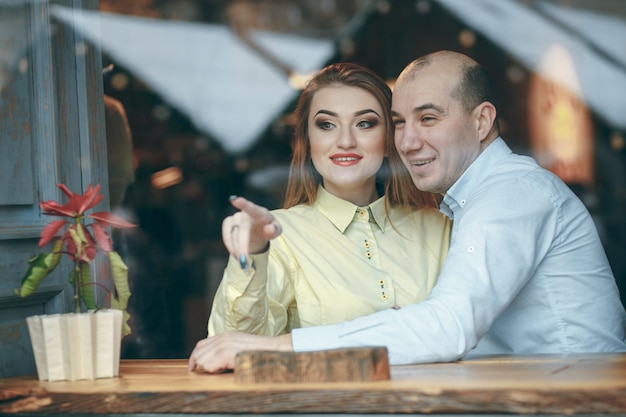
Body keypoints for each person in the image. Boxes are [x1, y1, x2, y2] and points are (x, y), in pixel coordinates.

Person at [189, 51, 626, 373]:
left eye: (428, 118)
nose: (409, 141)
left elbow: (446, 327)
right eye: (400, 122)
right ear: (306, 138)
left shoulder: (505, 196)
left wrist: (280, 348)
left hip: (571, 399)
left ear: (482, 121)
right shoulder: (469, 204)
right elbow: (228, 347)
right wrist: (252, 259)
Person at [207, 62, 451, 339]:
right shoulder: (278, 236)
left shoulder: (440, 228)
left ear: (388, 140)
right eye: (327, 125)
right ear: (308, 140)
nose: (345, 141)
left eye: (364, 123)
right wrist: (252, 253)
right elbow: (233, 345)